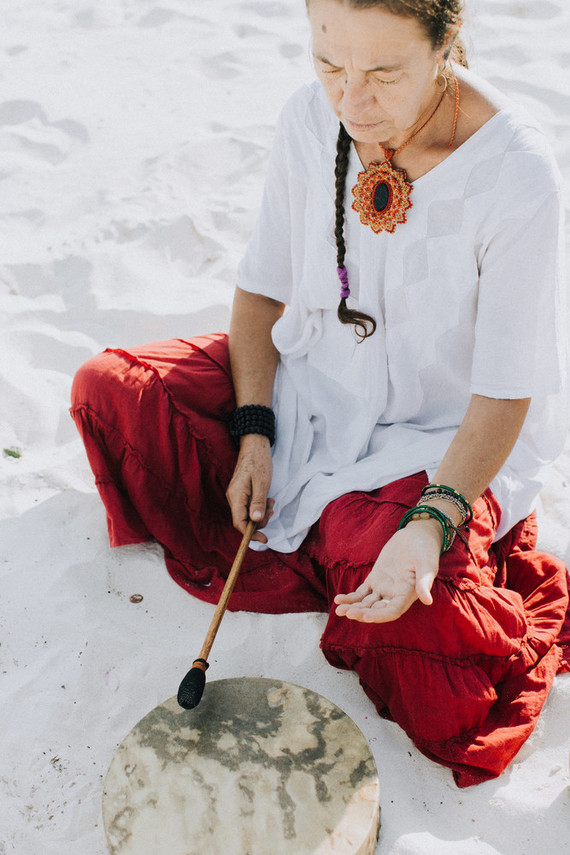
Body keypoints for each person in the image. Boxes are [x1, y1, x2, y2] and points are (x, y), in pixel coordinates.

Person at [71, 0, 570, 786]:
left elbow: (506, 394)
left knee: (435, 667)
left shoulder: (517, 173)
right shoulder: (310, 118)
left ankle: (380, 541)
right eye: (328, 62)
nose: (348, 100)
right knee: (111, 392)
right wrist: (256, 432)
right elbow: (261, 296)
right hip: (306, 394)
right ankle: (324, 536)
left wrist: (430, 525)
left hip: (431, 444)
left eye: (381, 72)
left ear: (445, 46)